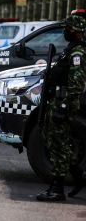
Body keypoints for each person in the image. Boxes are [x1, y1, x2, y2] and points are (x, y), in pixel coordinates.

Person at [36, 15, 86, 202]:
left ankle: (57, 189)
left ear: (74, 31)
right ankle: (77, 174)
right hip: (57, 101)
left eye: (68, 28)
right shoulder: (71, 49)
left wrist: (63, 107)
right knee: (54, 140)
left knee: (58, 143)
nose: (65, 31)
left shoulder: (78, 53)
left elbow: (76, 84)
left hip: (63, 103)